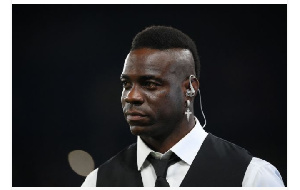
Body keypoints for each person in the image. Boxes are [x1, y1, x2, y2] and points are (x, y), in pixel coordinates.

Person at [81, 26, 285, 187]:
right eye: (126, 84)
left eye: (150, 84)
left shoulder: (252, 177)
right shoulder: (97, 182)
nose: (131, 96)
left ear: (190, 88)